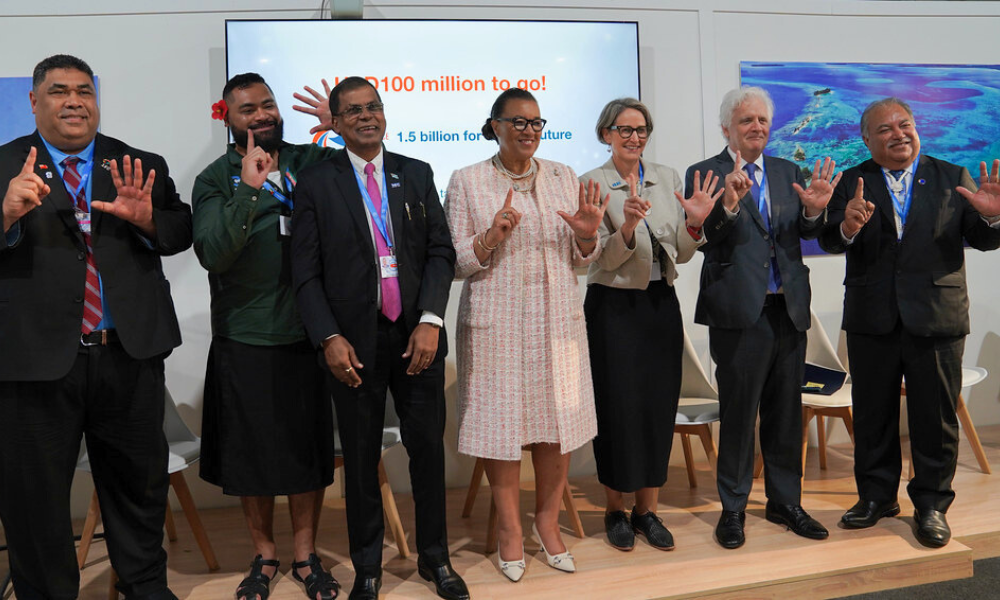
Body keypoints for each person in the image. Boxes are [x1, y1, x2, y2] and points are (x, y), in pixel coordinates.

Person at [0, 54, 191, 600]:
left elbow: (179, 232)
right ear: (34, 102)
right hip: (34, 364)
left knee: (139, 485)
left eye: (84, 90)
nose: (74, 101)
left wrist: (148, 219)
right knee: (34, 497)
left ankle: (144, 586)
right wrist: (6, 215)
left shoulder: (136, 163)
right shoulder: (4, 166)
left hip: (127, 355)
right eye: (59, 91)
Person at [290, 76, 468, 600]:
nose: (367, 117)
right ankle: (368, 565)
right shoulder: (318, 182)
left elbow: (441, 252)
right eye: (353, 111)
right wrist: (327, 337)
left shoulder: (415, 173)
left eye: (374, 107)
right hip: (353, 346)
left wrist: (431, 320)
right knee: (362, 458)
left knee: (427, 454)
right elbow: (305, 272)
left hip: (418, 339)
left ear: (384, 113)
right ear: (337, 122)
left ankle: (436, 558)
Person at [818, 97, 1000, 548]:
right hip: (871, 318)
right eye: (885, 129)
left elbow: (981, 238)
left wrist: (993, 214)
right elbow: (828, 239)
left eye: (906, 125)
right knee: (874, 414)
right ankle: (877, 498)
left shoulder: (950, 176)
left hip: (936, 316)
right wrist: (847, 228)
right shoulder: (851, 180)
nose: (899, 134)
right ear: (867, 139)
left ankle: (932, 505)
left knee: (934, 418)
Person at [444, 88, 607, 582]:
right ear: (494, 125)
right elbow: (454, 263)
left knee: (559, 423)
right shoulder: (468, 180)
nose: (528, 131)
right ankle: (510, 532)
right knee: (501, 427)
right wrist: (490, 236)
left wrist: (586, 233)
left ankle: (547, 524)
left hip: (557, 321)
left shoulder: (563, 176)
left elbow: (584, 259)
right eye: (517, 122)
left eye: (536, 123)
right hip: (497, 323)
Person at [193, 72, 342, 600]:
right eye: (247, 109)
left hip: (310, 333)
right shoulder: (215, 179)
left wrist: (338, 128)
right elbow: (213, 252)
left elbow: (363, 178)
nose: (262, 115)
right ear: (227, 118)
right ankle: (265, 555)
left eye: (268, 105)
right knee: (252, 459)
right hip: (245, 335)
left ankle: (305, 556)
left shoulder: (312, 162)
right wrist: (250, 190)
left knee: (306, 454)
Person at [685, 86, 840, 549]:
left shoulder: (788, 170)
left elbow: (803, 233)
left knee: (785, 413)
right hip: (738, 313)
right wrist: (728, 206)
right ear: (726, 128)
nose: (757, 128)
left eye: (763, 121)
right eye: (747, 120)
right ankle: (733, 509)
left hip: (787, 309)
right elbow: (705, 239)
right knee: (739, 414)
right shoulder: (705, 173)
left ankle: (784, 502)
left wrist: (815, 214)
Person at [581, 97, 720, 552]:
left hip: (661, 304)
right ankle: (616, 509)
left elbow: (680, 253)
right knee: (617, 407)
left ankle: (648, 511)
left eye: (641, 130)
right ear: (606, 134)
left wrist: (695, 226)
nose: (634, 138)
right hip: (612, 307)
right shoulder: (590, 184)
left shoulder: (668, 179)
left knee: (658, 406)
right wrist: (624, 229)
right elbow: (593, 259)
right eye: (624, 130)